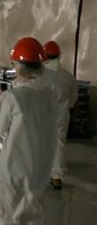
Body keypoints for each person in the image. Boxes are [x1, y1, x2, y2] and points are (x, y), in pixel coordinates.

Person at [0, 37, 58, 225]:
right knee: (33, 214)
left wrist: (2, 100)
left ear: (19, 67)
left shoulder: (13, 97)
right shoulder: (49, 94)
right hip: (39, 168)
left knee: (11, 215)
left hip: (15, 168)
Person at [43, 40, 78, 190]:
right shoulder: (67, 76)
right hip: (62, 115)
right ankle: (56, 177)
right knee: (59, 144)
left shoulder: (41, 74)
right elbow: (73, 95)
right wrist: (66, 107)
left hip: (44, 116)